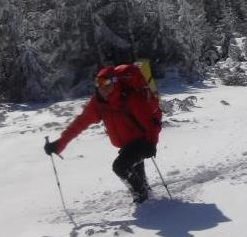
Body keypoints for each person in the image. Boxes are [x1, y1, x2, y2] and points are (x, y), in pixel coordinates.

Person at [44, 64, 162, 203]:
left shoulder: (129, 98)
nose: (103, 88)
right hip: (126, 145)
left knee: (120, 167)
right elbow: (79, 124)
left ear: (115, 83)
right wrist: (59, 144)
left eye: (107, 83)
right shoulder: (98, 104)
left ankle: (142, 197)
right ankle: (147, 197)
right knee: (133, 171)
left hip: (142, 141)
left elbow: (149, 122)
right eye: (99, 83)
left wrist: (151, 143)